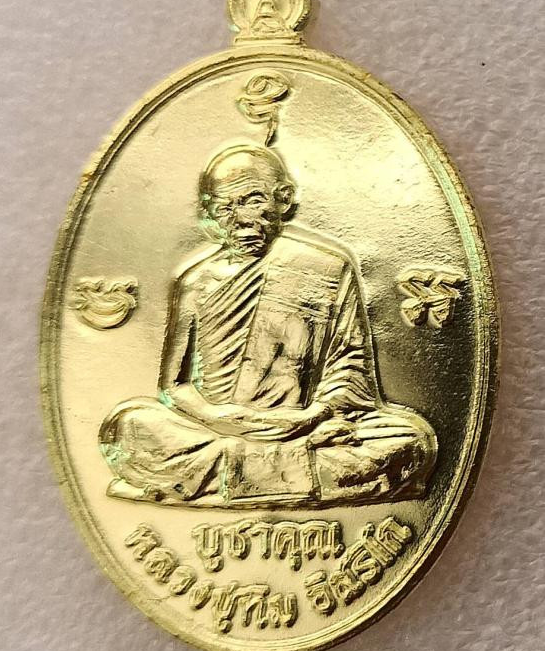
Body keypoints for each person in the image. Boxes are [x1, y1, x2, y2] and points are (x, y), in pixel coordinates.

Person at [99, 144, 436, 506]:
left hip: (305, 426)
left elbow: (349, 367)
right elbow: (175, 387)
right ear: (210, 215)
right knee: (127, 427)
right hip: (219, 428)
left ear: (284, 199)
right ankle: (295, 472)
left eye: (251, 200)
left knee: (409, 440)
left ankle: (223, 477)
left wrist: (311, 417)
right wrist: (219, 416)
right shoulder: (196, 282)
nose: (239, 218)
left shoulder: (327, 267)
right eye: (225, 208)